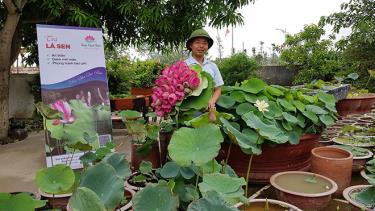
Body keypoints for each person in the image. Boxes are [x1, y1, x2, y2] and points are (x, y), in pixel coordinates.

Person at [185, 28, 224, 110]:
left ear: (207, 47)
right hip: (188, 110)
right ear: (191, 45)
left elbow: (218, 89)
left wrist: (212, 101)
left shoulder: (212, 66)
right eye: (197, 42)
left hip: (208, 110)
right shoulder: (184, 65)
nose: (201, 46)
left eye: (204, 43)